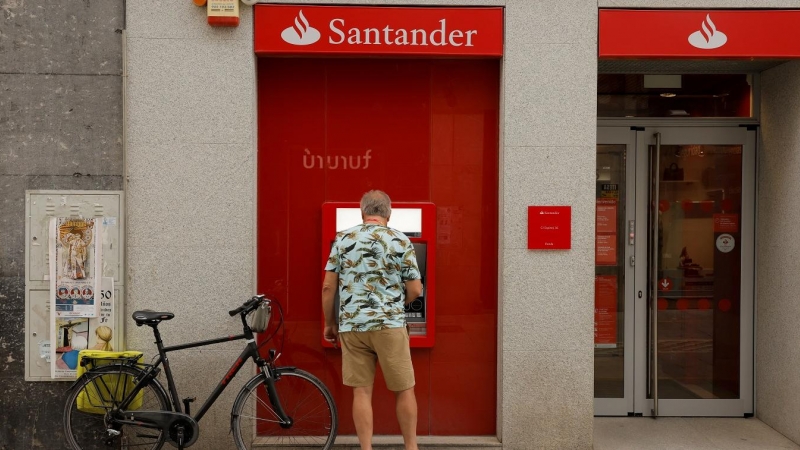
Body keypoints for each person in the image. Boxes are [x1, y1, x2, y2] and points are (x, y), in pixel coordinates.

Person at [322, 190, 423, 450]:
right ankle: (411, 448)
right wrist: (397, 305)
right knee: (404, 389)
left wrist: (330, 324)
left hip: (353, 326)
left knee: (362, 391)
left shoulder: (343, 239)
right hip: (390, 325)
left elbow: (327, 288)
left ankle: (366, 449)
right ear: (388, 213)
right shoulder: (400, 240)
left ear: (362, 212)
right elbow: (416, 290)